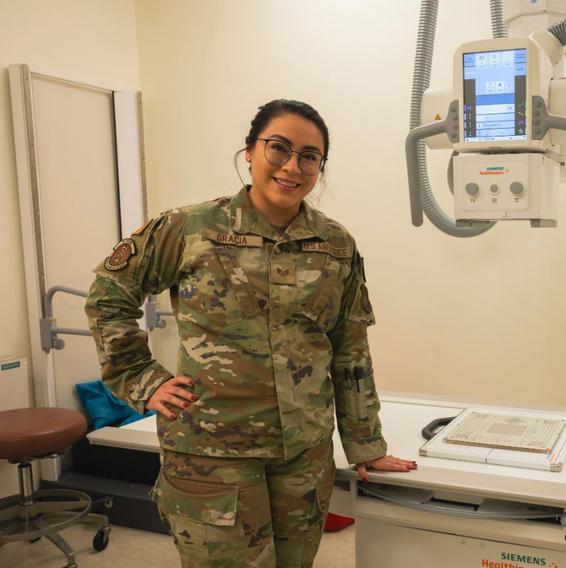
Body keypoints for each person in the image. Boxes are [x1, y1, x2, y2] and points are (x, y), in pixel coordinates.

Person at [85, 99, 416, 567]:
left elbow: (350, 349)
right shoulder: (189, 228)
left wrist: (366, 444)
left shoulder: (335, 245)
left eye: (309, 156)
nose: (292, 166)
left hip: (303, 455)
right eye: (278, 148)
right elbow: (108, 293)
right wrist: (142, 379)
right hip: (211, 453)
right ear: (249, 152)